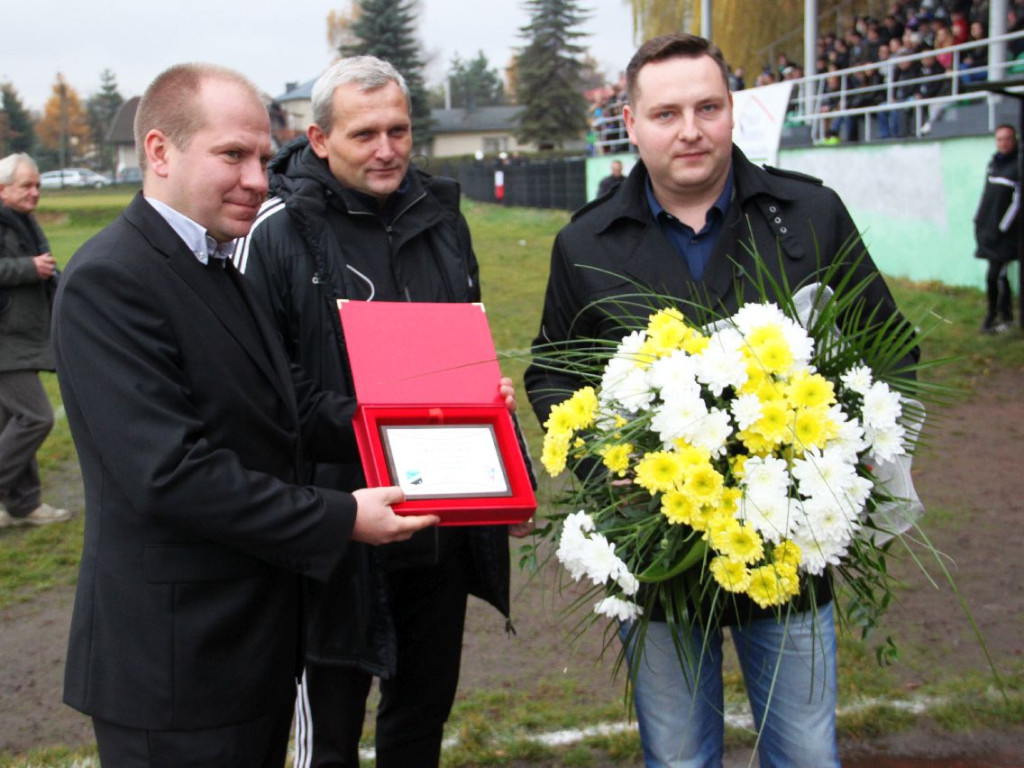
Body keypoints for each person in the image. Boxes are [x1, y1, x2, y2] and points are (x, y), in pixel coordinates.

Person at [524, 34, 916, 768]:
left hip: (788, 552)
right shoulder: (585, 242)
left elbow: (890, 349)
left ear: (733, 112)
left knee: (804, 753)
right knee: (676, 758)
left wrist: (836, 454)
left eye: (708, 107)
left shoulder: (809, 213)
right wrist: (601, 467)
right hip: (660, 557)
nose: (691, 129)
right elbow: (551, 374)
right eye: (666, 113)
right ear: (631, 125)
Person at [52, 63, 439, 768]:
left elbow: (288, 407)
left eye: (263, 156)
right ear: (160, 151)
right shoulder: (110, 280)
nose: (259, 179)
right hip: (174, 670)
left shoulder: (217, 263)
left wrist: (433, 419)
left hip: (249, 652)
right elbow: (169, 475)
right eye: (232, 155)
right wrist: (341, 516)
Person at [234, 56, 531, 768]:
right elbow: (265, 395)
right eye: (365, 133)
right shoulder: (273, 231)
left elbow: (469, 359)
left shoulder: (442, 219)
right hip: (335, 524)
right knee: (329, 739)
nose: (387, 148)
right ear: (319, 138)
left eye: (398, 129)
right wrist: (381, 426)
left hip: (439, 521)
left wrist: (505, 461)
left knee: (420, 721)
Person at [0, 153, 71, 528]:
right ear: (2, 189)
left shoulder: (20, 221)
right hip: (6, 340)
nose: (35, 193)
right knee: (35, 417)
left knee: (12, 421)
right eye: (26, 186)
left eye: (37, 185)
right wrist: (29, 268)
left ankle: (23, 504)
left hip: (21, 335)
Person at [974, 124, 1021, 333]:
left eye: (1007, 139)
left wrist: (1001, 229)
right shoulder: (993, 164)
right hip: (988, 231)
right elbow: (986, 195)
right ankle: (1005, 317)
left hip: (1005, 236)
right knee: (999, 276)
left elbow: (1017, 202)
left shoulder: (1018, 165)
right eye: (1000, 139)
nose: (1004, 143)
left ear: (1015, 140)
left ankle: (993, 317)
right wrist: (978, 219)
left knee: (995, 276)